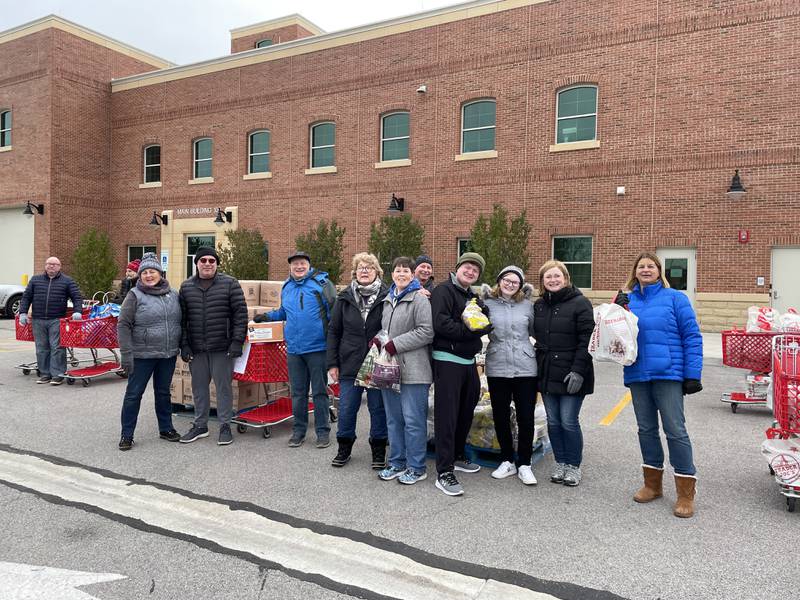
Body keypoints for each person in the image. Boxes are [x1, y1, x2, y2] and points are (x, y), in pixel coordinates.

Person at [614, 252, 703, 518]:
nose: (645, 269)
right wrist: (615, 310)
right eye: (640, 266)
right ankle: (652, 485)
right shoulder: (627, 301)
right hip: (638, 374)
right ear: (635, 271)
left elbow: (692, 336)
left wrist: (692, 374)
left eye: (650, 266)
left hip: (668, 374)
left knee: (675, 430)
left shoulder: (675, 298)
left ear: (659, 270)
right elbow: (613, 336)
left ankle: (686, 491)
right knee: (646, 429)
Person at [255, 251, 337, 448]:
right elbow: (285, 311)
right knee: (298, 393)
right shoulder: (287, 286)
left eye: (302, 264)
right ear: (290, 267)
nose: (299, 267)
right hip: (294, 349)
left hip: (318, 348)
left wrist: (334, 344)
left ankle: (323, 432)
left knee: (319, 392)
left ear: (309, 266)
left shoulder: (322, 284)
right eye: (295, 264)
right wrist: (267, 317)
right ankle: (298, 431)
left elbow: (334, 313)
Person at [430, 252, 491, 496]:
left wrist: (483, 322)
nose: (471, 271)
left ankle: (456, 455)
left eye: (476, 270)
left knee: (466, 410)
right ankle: (444, 471)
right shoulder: (443, 291)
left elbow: (482, 320)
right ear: (458, 268)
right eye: (467, 267)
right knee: (447, 416)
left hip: (468, 361)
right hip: (447, 361)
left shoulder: (471, 296)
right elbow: (440, 323)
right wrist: (472, 333)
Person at [532, 260, 594, 487]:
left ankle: (573, 465)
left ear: (566, 278)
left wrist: (578, 370)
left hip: (572, 372)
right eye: (548, 277)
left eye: (557, 276)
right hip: (547, 371)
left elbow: (587, 340)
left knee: (569, 421)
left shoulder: (580, 303)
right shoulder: (539, 305)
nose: (553, 280)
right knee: (554, 421)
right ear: (542, 281)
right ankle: (560, 462)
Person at [178, 246, 248, 446]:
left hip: (222, 347)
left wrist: (236, 341)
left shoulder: (230, 284)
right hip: (196, 348)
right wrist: (184, 345)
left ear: (217, 264)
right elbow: (182, 320)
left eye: (211, 260)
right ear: (197, 263)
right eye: (203, 260)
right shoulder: (186, 287)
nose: (207, 264)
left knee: (223, 388)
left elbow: (240, 315)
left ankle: (225, 425)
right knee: (199, 388)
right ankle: (200, 425)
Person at [375, 256, 434, 485]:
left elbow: (426, 332)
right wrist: (380, 340)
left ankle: (417, 467)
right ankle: (397, 462)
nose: (401, 274)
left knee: (413, 420)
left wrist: (395, 344)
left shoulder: (419, 299)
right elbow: (385, 328)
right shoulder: (388, 299)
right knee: (394, 419)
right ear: (392, 275)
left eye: (406, 271)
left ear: (412, 275)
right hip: (389, 369)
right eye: (398, 270)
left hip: (414, 370)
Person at [326, 252, 389, 468]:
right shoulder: (344, 299)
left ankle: (379, 450)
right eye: (360, 267)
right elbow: (334, 331)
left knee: (378, 409)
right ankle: (344, 447)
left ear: (377, 272)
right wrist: (332, 363)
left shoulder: (387, 296)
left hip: (377, 362)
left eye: (369, 267)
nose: (364, 271)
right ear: (354, 272)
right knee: (346, 408)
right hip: (349, 362)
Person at [116, 253, 182, 451]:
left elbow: (181, 322)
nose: (149, 276)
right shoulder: (134, 295)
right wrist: (126, 354)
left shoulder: (173, 294)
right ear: (139, 276)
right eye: (145, 272)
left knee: (163, 393)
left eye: (152, 271)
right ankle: (127, 435)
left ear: (160, 274)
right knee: (134, 394)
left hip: (167, 355)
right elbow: (123, 325)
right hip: (141, 355)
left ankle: (166, 428)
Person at [481, 266, 538, 485]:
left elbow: (536, 332)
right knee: (501, 415)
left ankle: (524, 463)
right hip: (497, 366)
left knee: (526, 416)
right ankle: (507, 459)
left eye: (515, 282)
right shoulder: (487, 304)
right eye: (507, 279)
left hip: (525, 367)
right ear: (499, 281)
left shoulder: (528, 306)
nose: (510, 284)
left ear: (520, 285)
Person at [18, 256, 83, 385]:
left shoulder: (67, 281)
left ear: (59, 267)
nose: (51, 266)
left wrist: (77, 311)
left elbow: (77, 297)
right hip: (38, 319)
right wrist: (23, 313)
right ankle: (45, 374)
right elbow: (26, 297)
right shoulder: (35, 280)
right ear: (45, 266)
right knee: (41, 348)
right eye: (48, 264)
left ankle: (57, 374)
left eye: (54, 264)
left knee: (57, 347)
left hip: (57, 319)